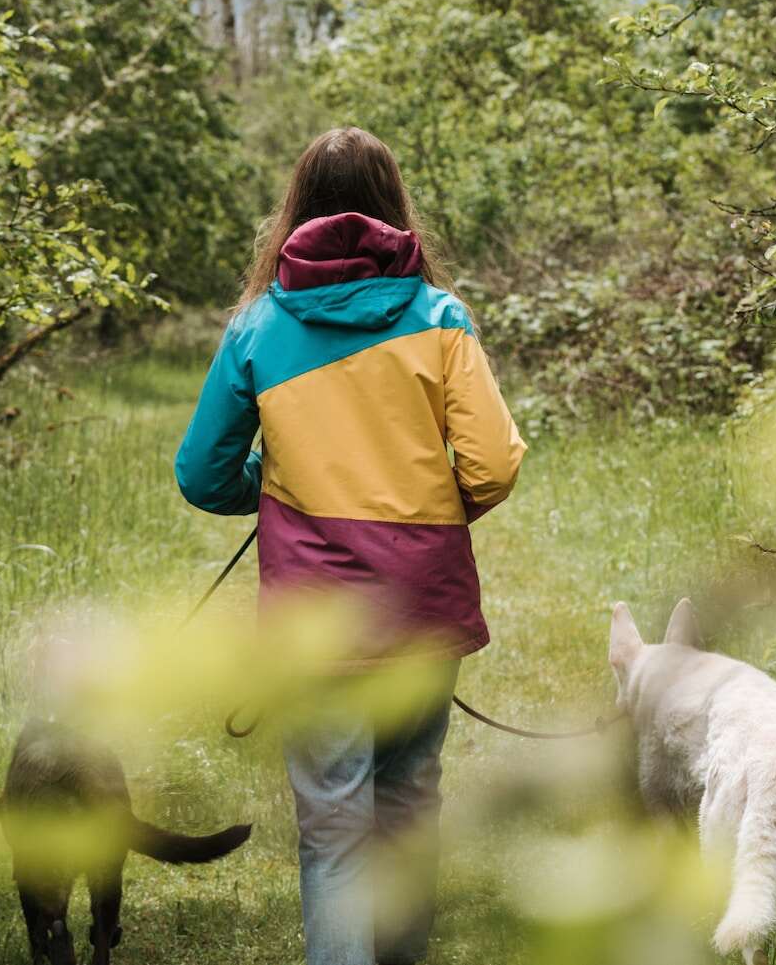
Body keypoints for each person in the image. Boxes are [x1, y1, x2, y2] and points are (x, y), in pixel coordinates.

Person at [174, 126, 525, 965]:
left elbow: (201, 472)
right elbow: (494, 463)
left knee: (334, 833)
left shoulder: (258, 325)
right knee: (406, 811)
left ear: (295, 207)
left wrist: (270, 482)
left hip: (314, 625)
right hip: (421, 610)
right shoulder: (441, 317)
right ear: (394, 205)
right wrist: (427, 519)